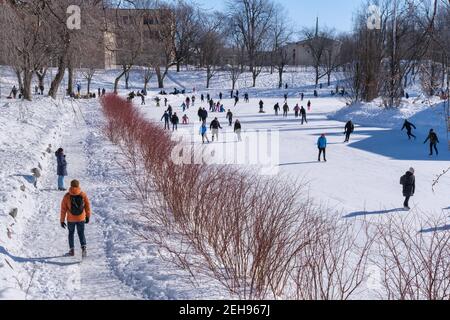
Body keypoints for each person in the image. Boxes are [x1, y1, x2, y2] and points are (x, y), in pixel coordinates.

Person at [60, 179, 91, 258]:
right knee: (81, 233)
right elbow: (87, 206)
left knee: (71, 233)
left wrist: (62, 220)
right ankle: (83, 248)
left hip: (71, 219)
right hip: (81, 218)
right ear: (78, 185)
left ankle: (72, 250)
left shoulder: (67, 196)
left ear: (71, 186)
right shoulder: (83, 194)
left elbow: (63, 209)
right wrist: (87, 216)